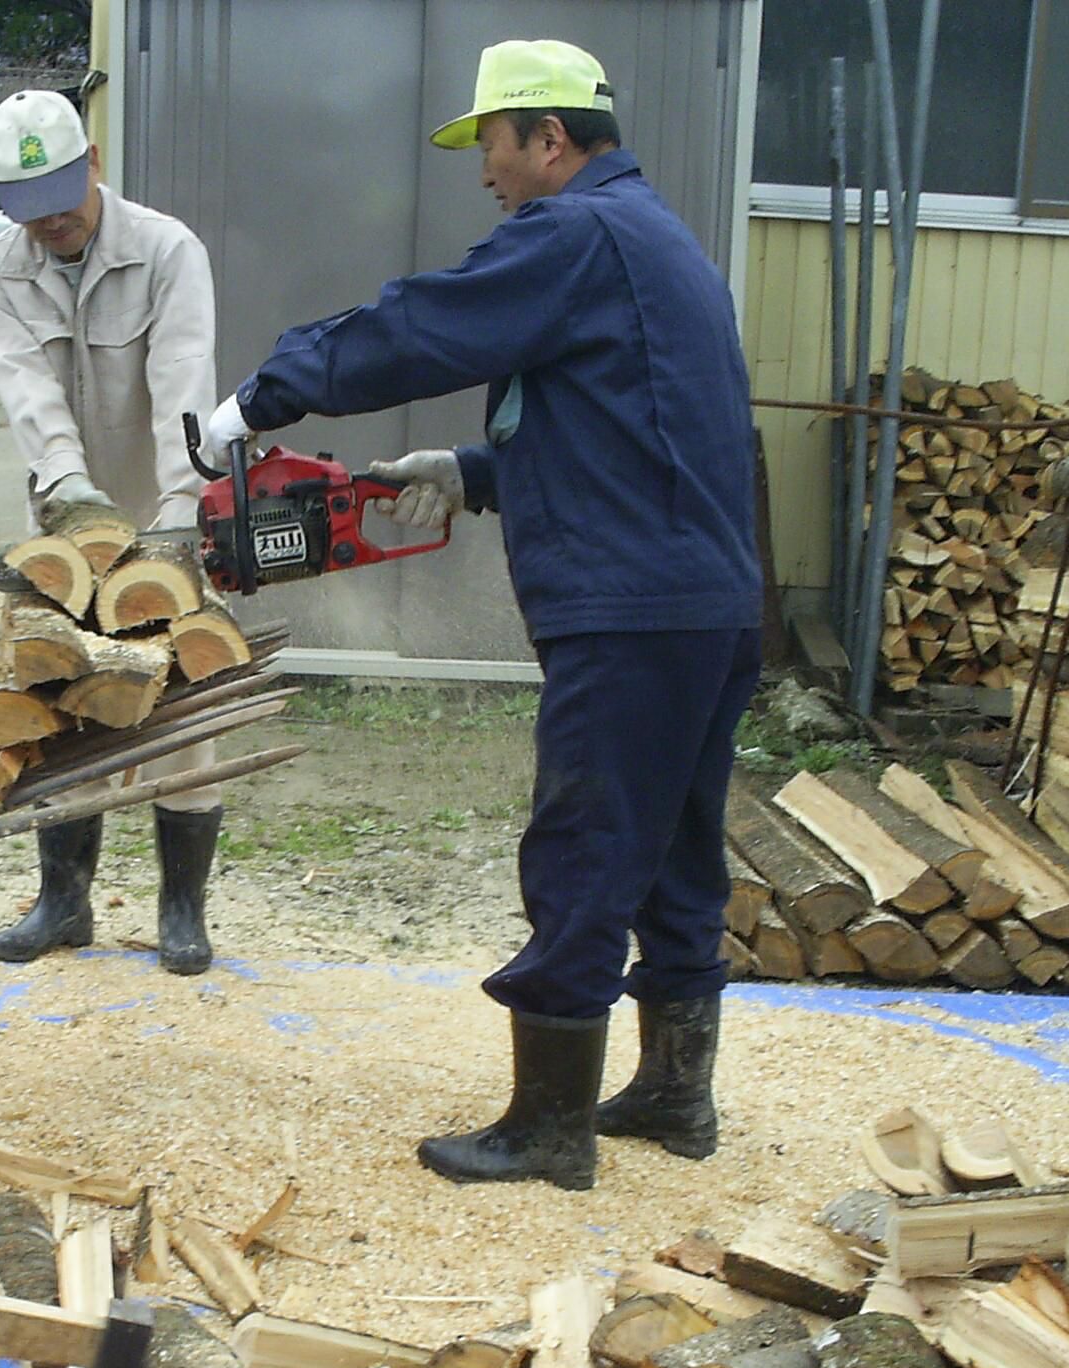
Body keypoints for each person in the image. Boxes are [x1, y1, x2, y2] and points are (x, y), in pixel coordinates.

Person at [200, 39, 761, 1190]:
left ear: (548, 138)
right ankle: (674, 1093)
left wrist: (266, 393)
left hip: (632, 609)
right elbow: (633, 423)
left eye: (493, 147)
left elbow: (423, 324)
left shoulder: (573, 235)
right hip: (704, 601)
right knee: (674, 854)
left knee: (585, 846)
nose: (484, 175)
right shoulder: (656, 239)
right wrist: (471, 467)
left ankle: (547, 1129)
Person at [0, 89, 227, 975]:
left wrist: (178, 523)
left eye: (62, 200)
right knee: (64, 698)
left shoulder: (165, 251)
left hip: (164, 505)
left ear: (95, 166)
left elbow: (185, 383)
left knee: (186, 707)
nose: (50, 223)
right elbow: (29, 399)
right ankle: (63, 901)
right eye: (26, 210)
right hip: (66, 516)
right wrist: (73, 502)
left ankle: (182, 911)